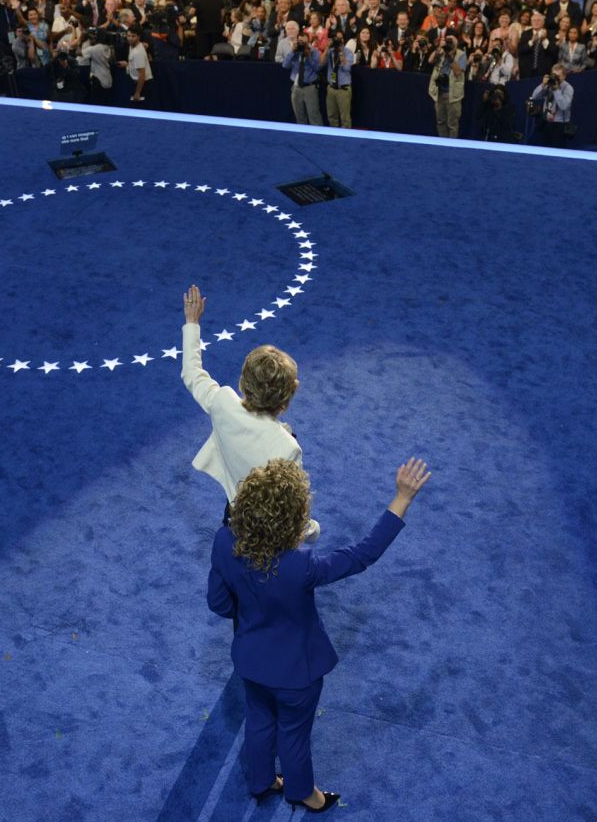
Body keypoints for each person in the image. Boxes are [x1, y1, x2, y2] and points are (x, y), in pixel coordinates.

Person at [207, 456, 432, 813]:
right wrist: (402, 498)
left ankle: (261, 781)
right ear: (293, 520)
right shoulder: (302, 565)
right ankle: (303, 794)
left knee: (260, 719)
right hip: (297, 674)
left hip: (250, 662)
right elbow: (362, 555)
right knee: (293, 734)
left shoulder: (223, 542)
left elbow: (218, 604)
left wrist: (253, 611)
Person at [181, 285, 316, 540]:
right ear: (285, 401)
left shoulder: (223, 401)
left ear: (243, 383)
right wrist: (311, 531)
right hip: (268, 536)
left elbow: (192, 373)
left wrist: (192, 323)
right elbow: (294, 508)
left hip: (233, 518)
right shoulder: (288, 448)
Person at [429, 35, 467, 138]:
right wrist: (439, 48)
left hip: (453, 94)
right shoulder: (440, 52)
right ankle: (442, 143)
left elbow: (458, 72)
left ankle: (452, 145)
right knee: (440, 121)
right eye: (447, 42)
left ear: (456, 44)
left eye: (451, 42)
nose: (449, 44)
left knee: (452, 124)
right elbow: (430, 61)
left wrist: (450, 57)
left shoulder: (462, 55)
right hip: (439, 92)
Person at [282, 34, 325, 125]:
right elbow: (285, 65)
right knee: (299, 116)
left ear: (308, 42)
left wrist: (308, 56)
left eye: (304, 42)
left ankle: (318, 137)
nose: (301, 44)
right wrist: (293, 51)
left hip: (310, 88)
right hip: (296, 88)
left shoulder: (314, 52)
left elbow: (317, 68)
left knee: (314, 115)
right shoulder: (295, 52)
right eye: (300, 41)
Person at [529, 63, 575, 147]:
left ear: (564, 76)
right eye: (554, 75)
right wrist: (543, 85)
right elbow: (534, 96)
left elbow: (563, 106)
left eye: (558, 76)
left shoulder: (568, 88)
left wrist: (556, 90)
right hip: (545, 122)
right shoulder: (548, 85)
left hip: (559, 124)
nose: (555, 78)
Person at [120, 27, 152, 102]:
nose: (130, 38)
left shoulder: (138, 53)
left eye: (133, 36)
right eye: (128, 36)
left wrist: (137, 93)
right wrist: (127, 65)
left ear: (138, 37)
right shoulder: (133, 46)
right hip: (138, 83)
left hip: (142, 85)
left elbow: (142, 74)